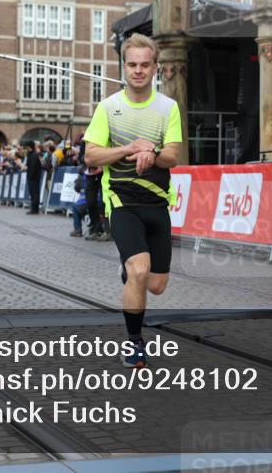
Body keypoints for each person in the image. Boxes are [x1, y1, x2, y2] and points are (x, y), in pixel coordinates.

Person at [84, 34, 182, 369]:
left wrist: (152, 153)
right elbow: (91, 154)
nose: (138, 71)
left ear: (155, 67)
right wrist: (128, 148)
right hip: (121, 200)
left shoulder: (168, 107)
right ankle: (135, 344)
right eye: (132, 64)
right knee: (139, 269)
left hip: (157, 204)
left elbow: (173, 155)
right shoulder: (109, 107)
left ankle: (132, 275)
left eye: (144, 65)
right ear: (123, 67)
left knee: (155, 285)